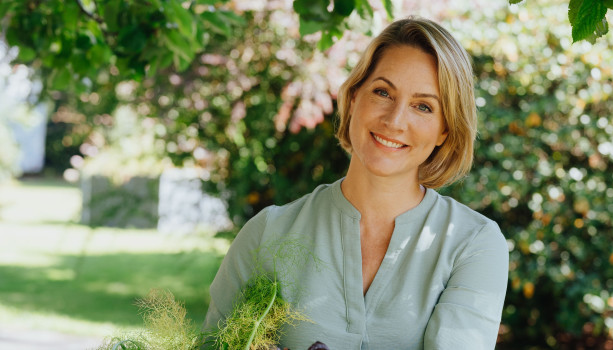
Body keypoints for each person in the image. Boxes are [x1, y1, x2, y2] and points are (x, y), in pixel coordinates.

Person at [204, 16, 509, 349]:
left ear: (444, 129)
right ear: (353, 98)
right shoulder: (267, 234)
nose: (395, 120)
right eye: (382, 92)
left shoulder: (473, 243)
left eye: (423, 106)